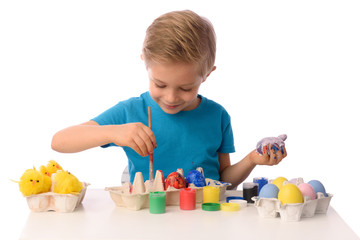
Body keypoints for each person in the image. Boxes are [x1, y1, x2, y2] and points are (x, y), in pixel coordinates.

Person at [51, 10, 287, 188]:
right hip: (149, 222)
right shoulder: (131, 113)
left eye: (186, 87)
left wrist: (252, 160)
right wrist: (114, 133)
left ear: (206, 75)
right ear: (145, 61)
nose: (171, 97)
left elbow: (224, 181)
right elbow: (60, 141)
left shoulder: (217, 116)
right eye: (159, 84)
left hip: (204, 223)